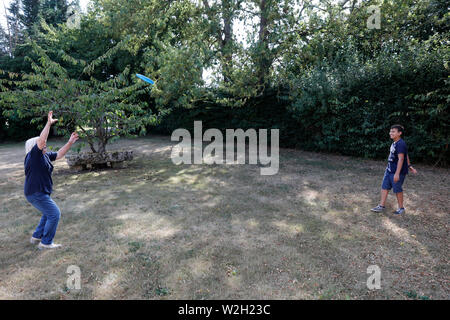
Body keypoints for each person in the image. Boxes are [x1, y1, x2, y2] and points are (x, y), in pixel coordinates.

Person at [24, 111, 79, 249]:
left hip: (39, 192)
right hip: (36, 192)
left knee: (47, 213)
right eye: (42, 143)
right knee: (54, 214)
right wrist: (48, 123)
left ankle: (37, 237)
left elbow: (59, 154)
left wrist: (70, 142)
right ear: (34, 146)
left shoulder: (44, 155)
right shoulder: (33, 156)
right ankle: (46, 243)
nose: (45, 144)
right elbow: (41, 140)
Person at [371, 124, 417, 215]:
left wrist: (397, 173)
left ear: (399, 133)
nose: (390, 133)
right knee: (384, 187)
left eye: (393, 131)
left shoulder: (401, 144)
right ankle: (381, 206)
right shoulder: (395, 143)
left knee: (397, 189)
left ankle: (401, 208)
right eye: (390, 131)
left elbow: (401, 158)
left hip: (397, 172)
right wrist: (409, 165)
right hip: (389, 170)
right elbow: (406, 155)